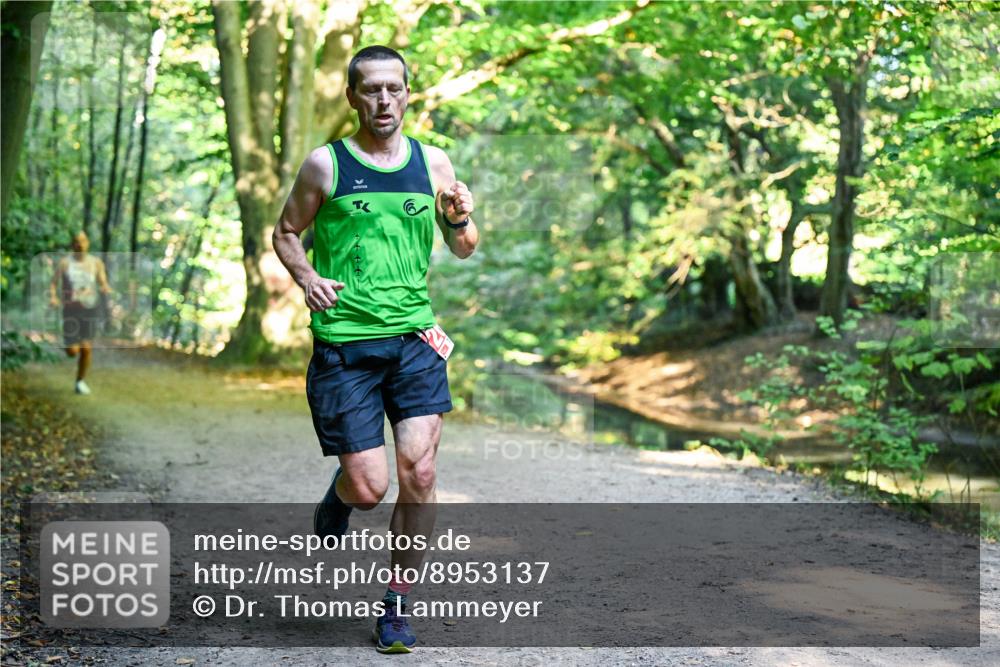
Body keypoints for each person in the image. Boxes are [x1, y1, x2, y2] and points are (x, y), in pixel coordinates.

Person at [272, 45, 479, 654]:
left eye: (394, 88)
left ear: (408, 94)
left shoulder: (433, 163)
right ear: (352, 97)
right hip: (345, 345)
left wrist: (459, 219)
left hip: (415, 339)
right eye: (371, 89)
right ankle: (340, 497)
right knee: (369, 489)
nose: (383, 100)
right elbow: (285, 232)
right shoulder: (325, 165)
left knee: (422, 472)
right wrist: (307, 277)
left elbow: (464, 245)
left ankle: (397, 604)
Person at [49, 231, 112, 395]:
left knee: (86, 348)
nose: (80, 244)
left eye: (83, 241)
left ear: (88, 243)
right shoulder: (65, 263)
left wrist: (105, 287)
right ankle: (68, 344)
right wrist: (53, 297)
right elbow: (53, 283)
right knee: (72, 351)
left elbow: (102, 281)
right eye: (77, 241)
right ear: (72, 244)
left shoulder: (96, 263)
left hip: (90, 309)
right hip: (71, 310)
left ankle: (80, 381)